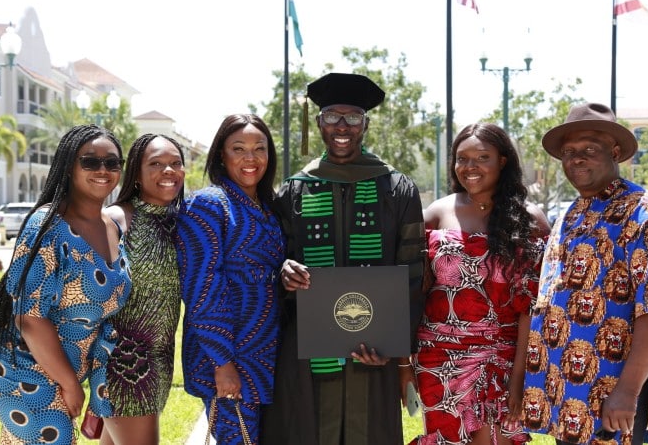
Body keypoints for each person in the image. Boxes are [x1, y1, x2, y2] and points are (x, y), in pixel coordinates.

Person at [261, 72, 426, 445]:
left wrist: (394, 346)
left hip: (375, 354)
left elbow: (413, 273)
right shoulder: (295, 190)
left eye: (352, 118)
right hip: (308, 352)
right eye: (332, 116)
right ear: (318, 122)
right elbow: (276, 260)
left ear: (365, 124)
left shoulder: (395, 188)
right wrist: (284, 274)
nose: (342, 126)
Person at [522, 103, 648, 445]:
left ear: (616, 152)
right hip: (573, 397)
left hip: (618, 401)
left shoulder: (644, 215)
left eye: (590, 149)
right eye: (569, 151)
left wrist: (628, 391)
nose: (577, 158)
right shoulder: (574, 213)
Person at [0, 124, 131, 444]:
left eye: (112, 163)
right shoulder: (47, 225)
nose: (103, 170)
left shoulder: (111, 226)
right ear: (68, 165)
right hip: (21, 362)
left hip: (62, 365)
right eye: (90, 161)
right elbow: (29, 318)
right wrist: (70, 384)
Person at [404, 123, 550, 445]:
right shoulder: (436, 213)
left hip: (501, 358)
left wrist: (518, 379)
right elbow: (410, 286)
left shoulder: (529, 219)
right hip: (438, 358)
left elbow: (532, 307)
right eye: (462, 158)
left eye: (482, 157)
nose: (470, 167)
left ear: (503, 161)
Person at [174, 114, 286, 445]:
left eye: (259, 148)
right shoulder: (209, 204)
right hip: (229, 357)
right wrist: (223, 363)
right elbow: (201, 287)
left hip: (265, 353)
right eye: (238, 148)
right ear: (221, 155)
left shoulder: (266, 208)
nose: (250, 158)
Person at [100, 134, 186, 445]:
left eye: (175, 163)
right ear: (136, 173)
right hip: (123, 365)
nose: (168, 171)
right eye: (157, 164)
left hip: (160, 359)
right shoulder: (115, 220)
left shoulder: (178, 222)